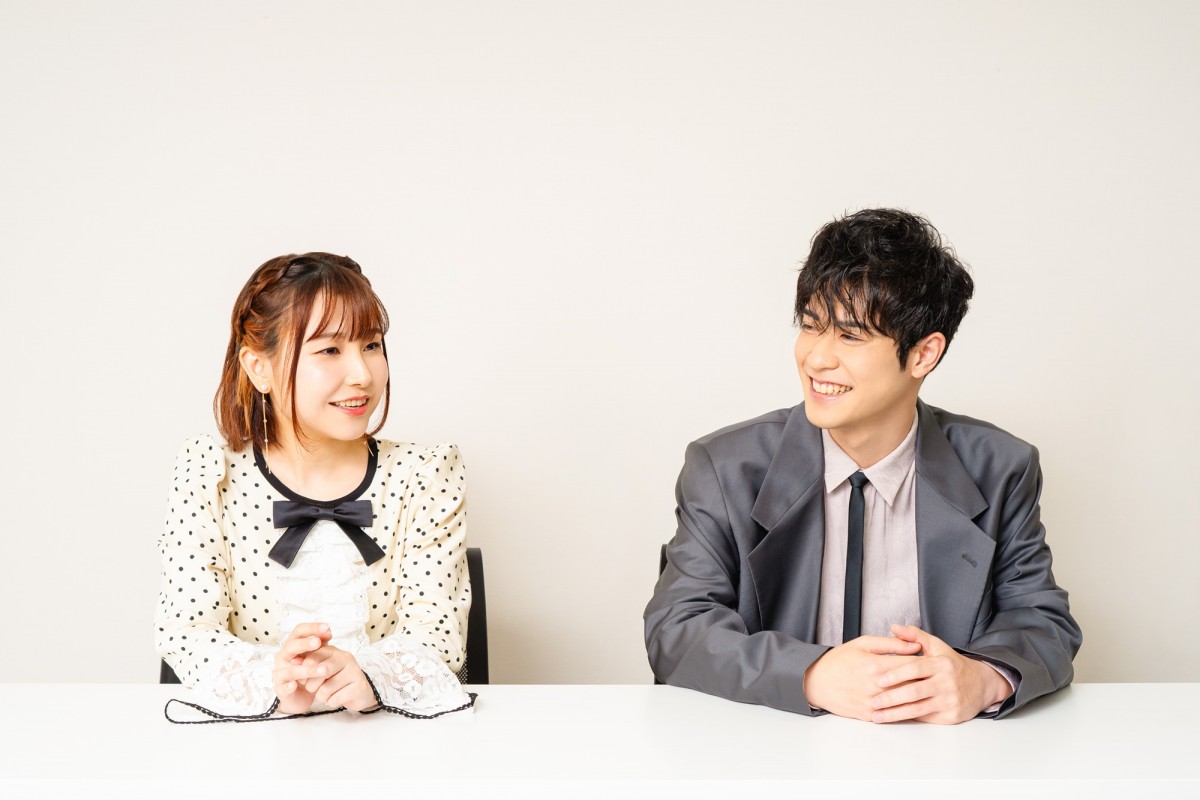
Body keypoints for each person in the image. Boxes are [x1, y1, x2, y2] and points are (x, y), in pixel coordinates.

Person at [644, 209, 1081, 723]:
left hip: (940, 754)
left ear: (923, 355)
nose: (816, 359)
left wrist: (982, 678)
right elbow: (676, 627)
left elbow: (1042, 620)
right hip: (769, 751)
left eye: (850, 336)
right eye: (811, 326)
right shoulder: (724, 466)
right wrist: (812, 674)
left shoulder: (1001, 467)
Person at [156, 252, 474, 720]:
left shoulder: (423, 476)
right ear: (259, 367)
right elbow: (187, 631)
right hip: (247, 744)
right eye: (329, 350)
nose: (362, 374)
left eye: (371, 345)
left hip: (393, 739)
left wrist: (368, 676)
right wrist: (277, 679)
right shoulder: (209, 475)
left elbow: (438, 634)